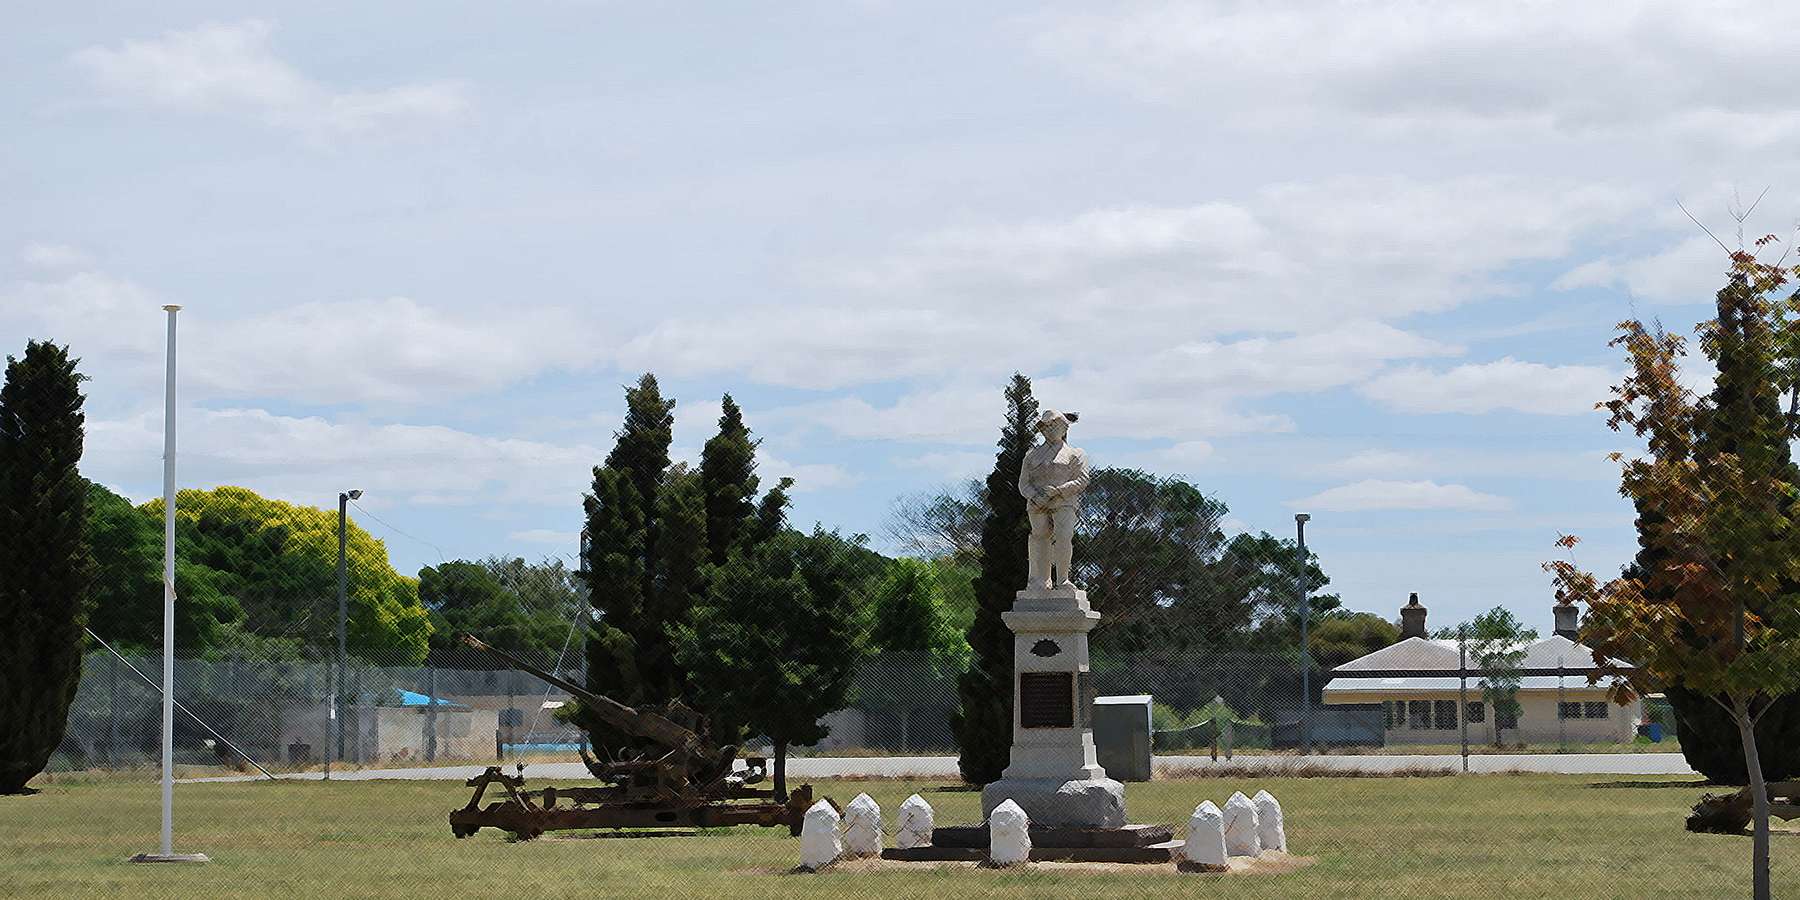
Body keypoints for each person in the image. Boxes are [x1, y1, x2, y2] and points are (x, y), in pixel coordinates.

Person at [1017, 408, 1090, 591]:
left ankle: (1063, 580)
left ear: (1065, 428)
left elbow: (1082, 479)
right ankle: (1040, 581)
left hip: (1063, 501)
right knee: (1040, 537)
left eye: (1055, 425)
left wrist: (1058, 491)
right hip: (1037, 504)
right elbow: (1023, 483)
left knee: (1064, 537)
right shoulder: (1032, 455)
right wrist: (1035, 496)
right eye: (1046, 426)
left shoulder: (1075, 454)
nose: (1050, 429)